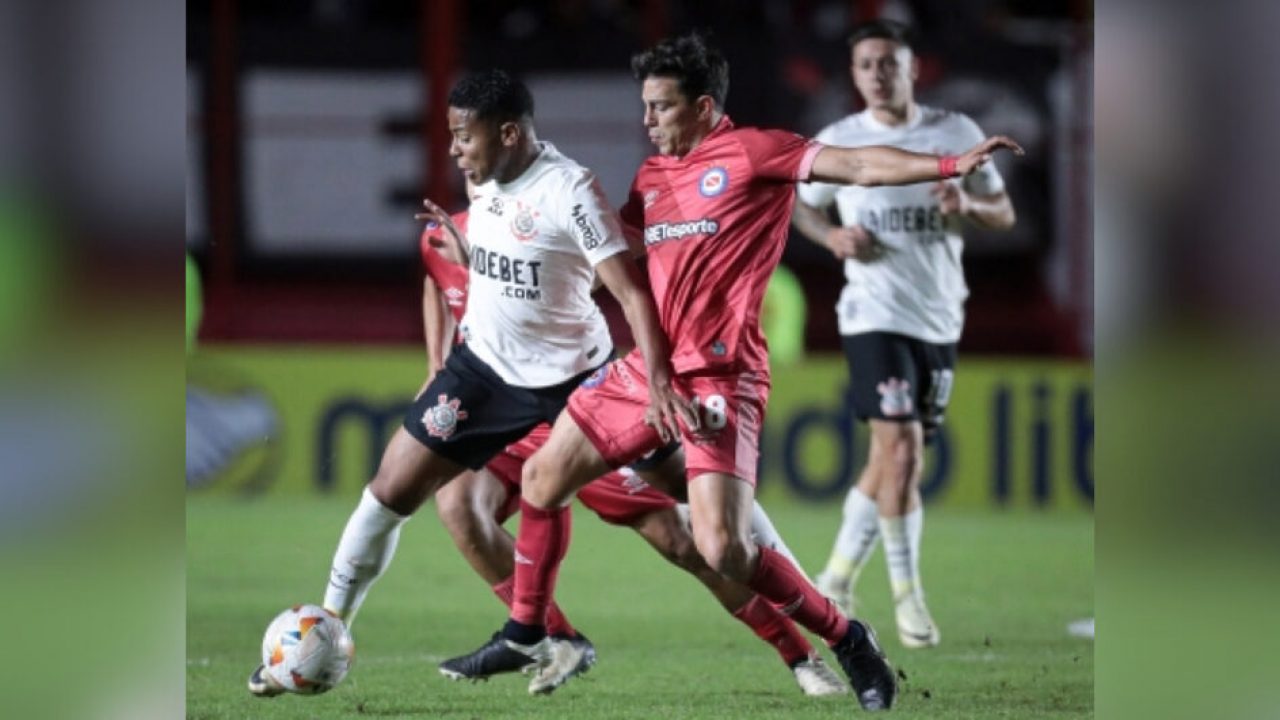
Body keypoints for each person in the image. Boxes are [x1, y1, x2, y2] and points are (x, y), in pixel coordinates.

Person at [448, 32, 1022, 712]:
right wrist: (492, 243)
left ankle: (847, 636)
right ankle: (527, 632)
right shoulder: (653, 178)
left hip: (722, 380)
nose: (648, 121)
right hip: (646, 373)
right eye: (646, 106)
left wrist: (950, 163)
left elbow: (858, 166)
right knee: (545, 478)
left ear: (704, 105)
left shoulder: (754, 153)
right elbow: (609, 247)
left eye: (661, 107)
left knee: (723, 548)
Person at [248, 68, 694, 696]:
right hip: (484, 371)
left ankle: (821, 630)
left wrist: (656, 382)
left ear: (508, 133)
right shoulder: (485, 182)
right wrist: (458, 297)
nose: (454, 148)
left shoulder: (569, 189)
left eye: (464, 135)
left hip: (576, 377)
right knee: (389, 493)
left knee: (690, 518)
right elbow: (477, 273)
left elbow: (630, 291)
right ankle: (323, 631)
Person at [416, 203, 848, 696]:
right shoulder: (446, 231)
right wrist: (436, 362)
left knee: (685, 543)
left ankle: (802, 655)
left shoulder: (541, 206)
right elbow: (435, 277)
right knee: (456, 503)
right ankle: (557, 636)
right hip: (506, 413)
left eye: (470, 140)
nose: (463, 153)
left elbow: (607, 277)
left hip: (576, 412)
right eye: (458, 140)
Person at [792, 19, 1017, 650]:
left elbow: (1005, 213)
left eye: (890, 62)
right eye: (866, 64)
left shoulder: (956, 133)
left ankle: (833, 577)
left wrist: (968, 207)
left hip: (940, 315)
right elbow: (798, 205)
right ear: (854, 74)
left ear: (914, 68)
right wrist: (830, 235)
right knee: (903, 455)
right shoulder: (838, 142)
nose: (878, 74)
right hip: (872, 315)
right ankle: (908, 601)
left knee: (886, 461)